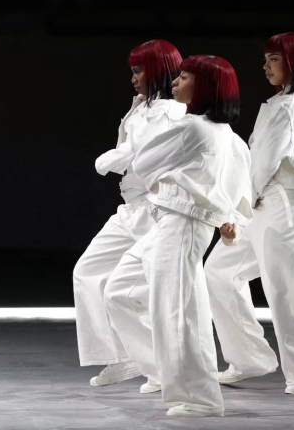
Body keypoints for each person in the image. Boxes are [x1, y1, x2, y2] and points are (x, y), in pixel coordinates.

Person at [104, 55, 253, 417]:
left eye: (184, 77)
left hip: (184, 224)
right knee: (120, 290)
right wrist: (230, 217)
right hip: (174, 222)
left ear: (204, 87)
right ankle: (162, 370)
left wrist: (226, 215)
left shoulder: (196, 129)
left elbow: (143, 162)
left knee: (181, 310)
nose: (175, 81)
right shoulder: (223, 135)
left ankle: (199, 398)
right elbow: (239, 184)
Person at [204, 33, 294, 395]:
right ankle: (250, 357)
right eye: (266, 59)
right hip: (268, 202)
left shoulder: (293, 107)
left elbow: (267, 161)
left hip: (284, 205)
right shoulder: (289, 104)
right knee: (219, 270)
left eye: (274, 59)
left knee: (285, 291)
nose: (265, 66)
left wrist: (237, 208)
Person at [73, 40, 184, 394]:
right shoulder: (142, 105)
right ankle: (123, 357)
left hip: (157, 207)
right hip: (132, 206)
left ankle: (164, 368)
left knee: (150, 291)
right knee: (89, 271)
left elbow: (144, 155)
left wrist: (109, 159)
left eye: (138, 71)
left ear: (156, 71)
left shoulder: (169, 110)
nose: (133, 78)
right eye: (133, 71)